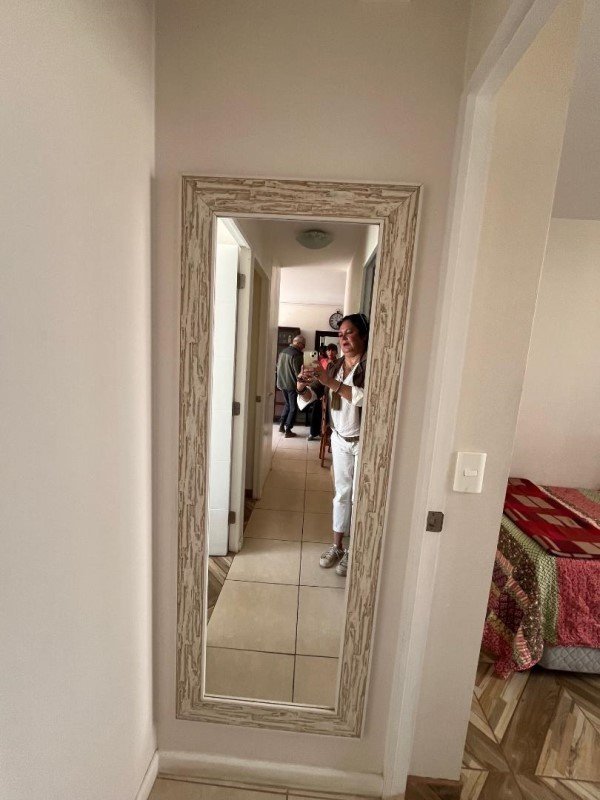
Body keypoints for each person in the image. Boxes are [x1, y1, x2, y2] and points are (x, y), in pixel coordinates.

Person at [296, 314, 369, 576]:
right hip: (339, 439)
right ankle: (337, 546)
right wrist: (301, 386)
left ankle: (354, 550)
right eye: (340, 335)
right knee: (341, 494)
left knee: (360, 498)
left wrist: (332, 383)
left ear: (363, 335)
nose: (343, 339)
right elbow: (312, 395)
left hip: (365, 442)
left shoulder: (371, 365)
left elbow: (367, 399)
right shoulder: (336, 366)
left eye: (349, 333)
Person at [276, 334, 305, 438]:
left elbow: (278, 367)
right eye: (303, 345)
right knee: (293, 407)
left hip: (282, 383)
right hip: (291, 384)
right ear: (299, 343)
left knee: (287, 404)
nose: (304, 347)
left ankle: (281, 425)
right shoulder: (297, 354)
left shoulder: (283, 351)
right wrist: (304, 382)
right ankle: (288, 430)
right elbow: (299, 373)